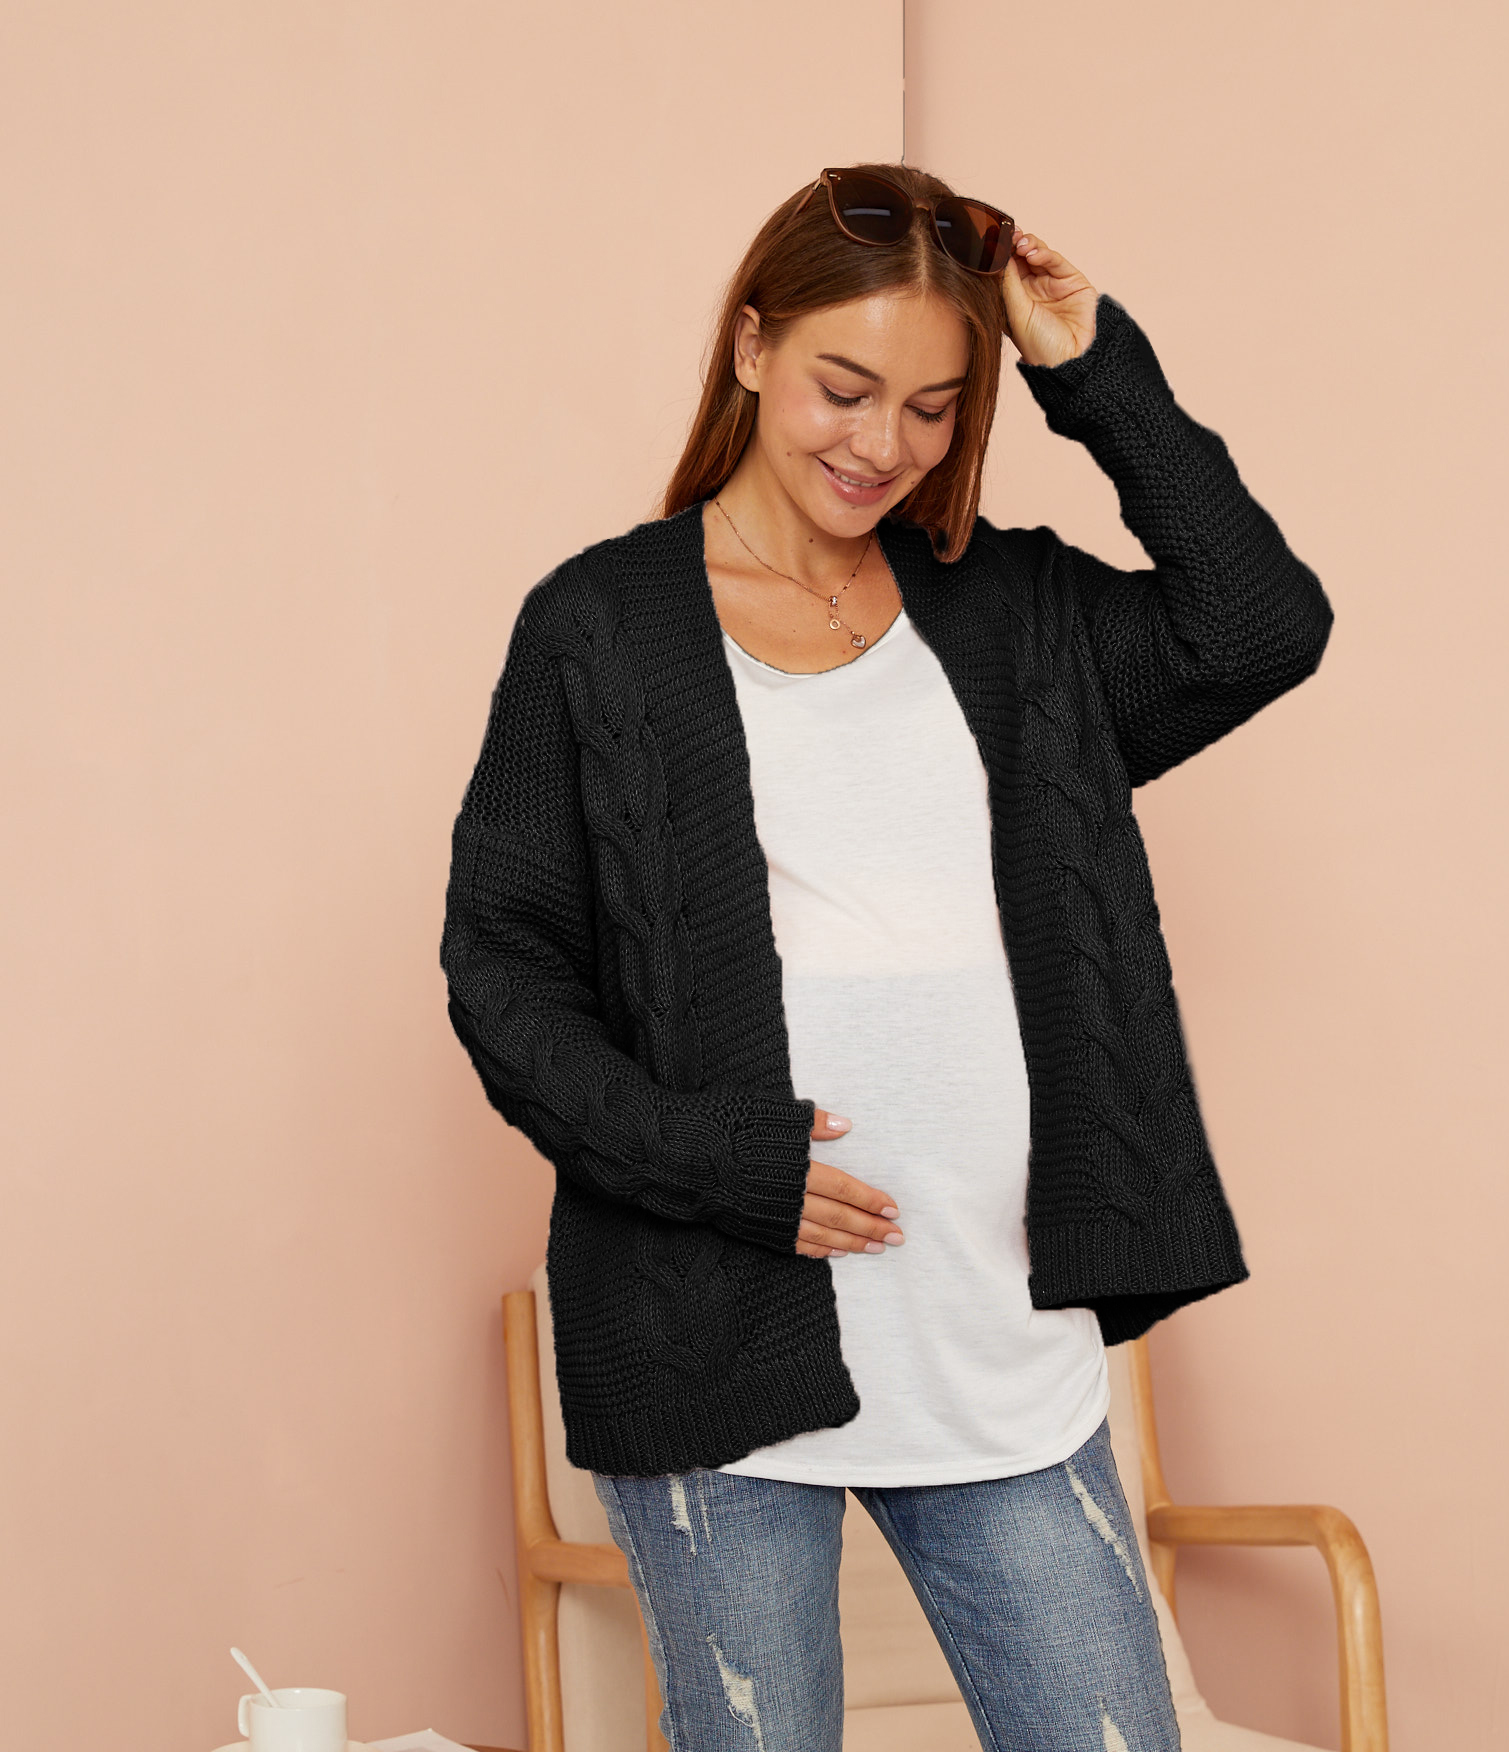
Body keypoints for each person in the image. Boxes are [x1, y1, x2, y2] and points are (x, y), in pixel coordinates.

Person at [441, 162, 1333, 1752]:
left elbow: (1262, 625)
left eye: (932, 406)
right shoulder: (601, 626)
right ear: (751, 345)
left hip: (996, 1334)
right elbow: (502, 966)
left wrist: (1092, 368)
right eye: (844, 388)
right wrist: (719, 1162)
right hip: (716, 1330)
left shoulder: (1011, 610)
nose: (881, 444)